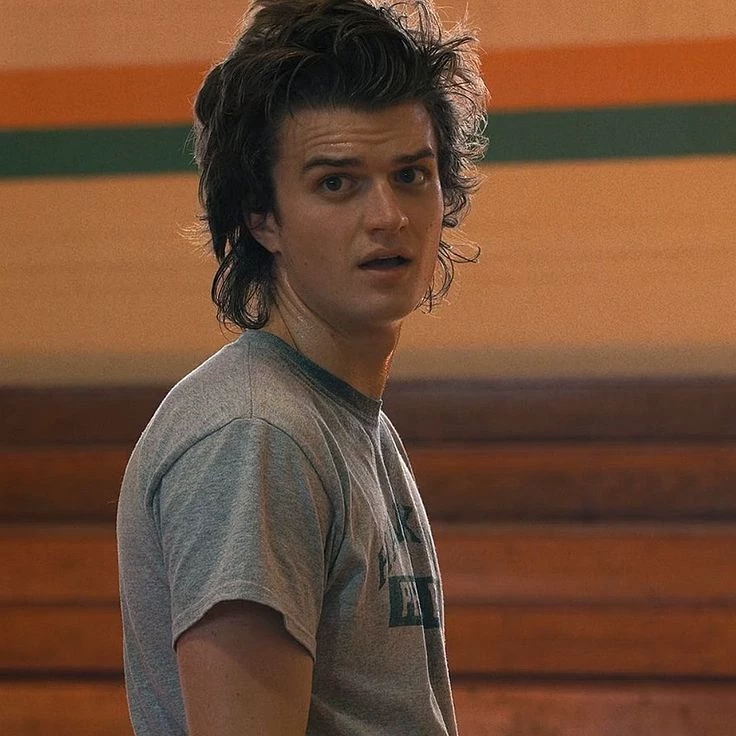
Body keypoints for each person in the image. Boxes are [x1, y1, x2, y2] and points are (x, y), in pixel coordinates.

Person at [116, 0, 488, 733]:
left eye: (411, 174)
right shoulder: (257, 435)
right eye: (336, 183)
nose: (388, 215)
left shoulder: (339, 417)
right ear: (261, 216)